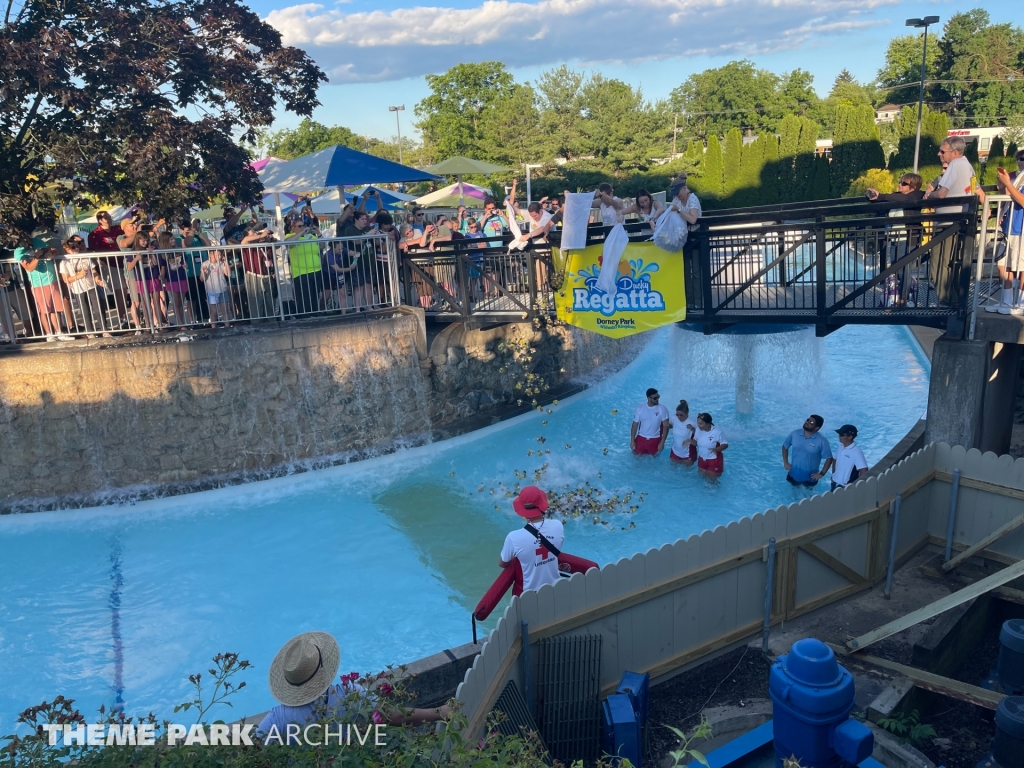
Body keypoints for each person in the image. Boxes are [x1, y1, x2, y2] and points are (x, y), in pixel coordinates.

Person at [257, 631, 450, 744]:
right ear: (323, 669)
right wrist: (440, 712)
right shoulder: (348, 695)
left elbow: (252, 749)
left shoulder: (278, 718)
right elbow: (394, 716)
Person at [498, 486, 565, 593]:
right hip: (555, 590)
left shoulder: (514, 537)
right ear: (542, 504)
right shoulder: (558, 525)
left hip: (529, 594)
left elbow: (503, 563)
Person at [989, 160, 1024, 315]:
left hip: (1021, 227)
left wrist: (1008, 184)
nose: (1020, 162)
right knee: (1003, 264)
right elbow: (1010, 196)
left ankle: (1021, 303)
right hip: (1010, 225)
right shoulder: (1020, 176)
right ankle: (1007, 301)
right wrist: (1003, 185)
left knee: (1022, 266)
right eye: (1019, 159)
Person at [59, 233, 110, 337]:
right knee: (85, 311)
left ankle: (105, 330)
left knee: (98, 308)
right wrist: (78, 276)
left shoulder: (85, 257)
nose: (77, 248)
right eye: (73, 247)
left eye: (77, 245)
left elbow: (94, 271)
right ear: (67, 249)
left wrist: (98, 279)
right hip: (78, 289)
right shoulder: (64, 262)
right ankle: (90, 332)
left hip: (91, 286)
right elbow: (66, 279)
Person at [18, 245, 72, 340]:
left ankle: (59, 332)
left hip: (52, 281)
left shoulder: (37, 241)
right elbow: (29, 268)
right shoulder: (19, 251)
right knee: (44, 311)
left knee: (55, 309)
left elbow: (55, 250)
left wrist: (50, 253)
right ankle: (49, 334)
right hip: (38, 284)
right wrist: (37, 257)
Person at [782, 415, 834, 487]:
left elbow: (829, 458)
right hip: (792, 475)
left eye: (811, 422)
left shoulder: (822, 441)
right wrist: (786, 463)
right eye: (807, 420)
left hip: (810, 479)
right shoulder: (795, 434)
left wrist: (821, 474)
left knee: (808, 494)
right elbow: (785, 446)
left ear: (816, 428)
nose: (807, 422)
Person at [631, 388, 669, 456]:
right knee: (636, 458)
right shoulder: (640, 408)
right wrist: (632, 440)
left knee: (654, 459)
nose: (657, 399)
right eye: (655, 398)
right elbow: (634, 425)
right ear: (648, 398)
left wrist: (662, 442)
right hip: (641, 439)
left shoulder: (662, 409)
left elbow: (666, 426)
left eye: (658, 397)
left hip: (655, 439)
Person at [200, 249, 232, 328]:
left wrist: (226, 262)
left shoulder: (221, 263)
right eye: (217, 255)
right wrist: (204, 272)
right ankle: (213, 328)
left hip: (222, 289)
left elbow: (228, 274)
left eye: (220, 255)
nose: (219, 257)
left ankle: (227, 328)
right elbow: (201, 279)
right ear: (211, 255)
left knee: (225, 311)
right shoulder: (205, 264)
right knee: (213, 312)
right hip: (212, 291)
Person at [831, 425, 868, 492]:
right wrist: (834, 474)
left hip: (845, 487)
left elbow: (864, 470)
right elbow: (834, 460)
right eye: (839, 434)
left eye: (841, 435)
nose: (839, 436)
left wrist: (855, 485)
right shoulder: (840, 446)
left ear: (850, 437)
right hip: (834, 482)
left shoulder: (857, 452)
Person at [668, 399, 697, 465]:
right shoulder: (674, 418)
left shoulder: (693, 423)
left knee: (688, 471)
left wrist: (692, 429)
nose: (679, 417)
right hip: (675, 451)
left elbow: (701, 437)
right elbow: (669, 426)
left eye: (681, 415)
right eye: (677, 414)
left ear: (687, 413)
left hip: (688, 453)